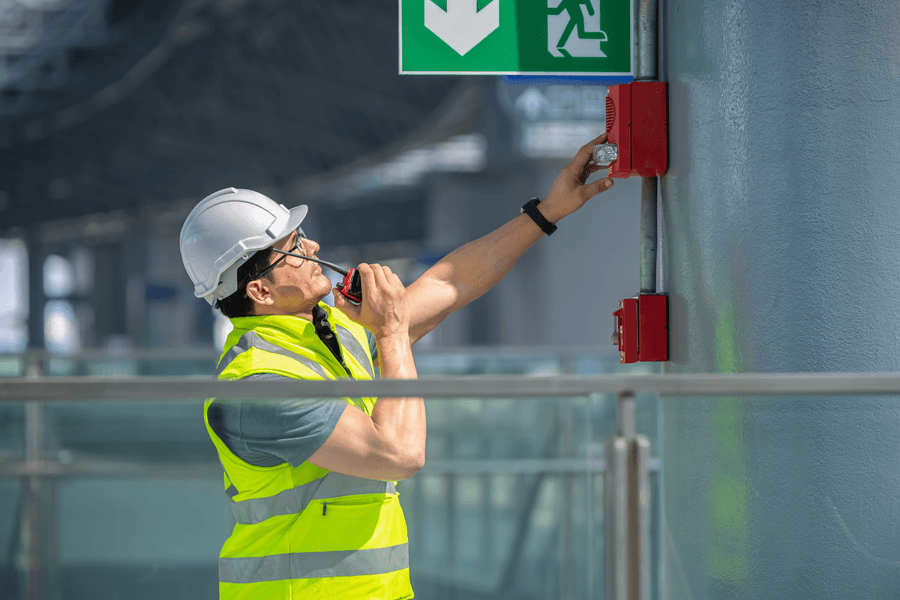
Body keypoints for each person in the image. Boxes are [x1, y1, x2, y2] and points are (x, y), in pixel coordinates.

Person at [178, 133, 614, 599]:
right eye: (291, 250)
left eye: (301, 236)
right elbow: (400, 454)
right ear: (259, 292)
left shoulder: (335, 334)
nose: (312, 248)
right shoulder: (259, 386)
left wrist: (546, 212)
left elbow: (451, 282)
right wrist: (390, 333)